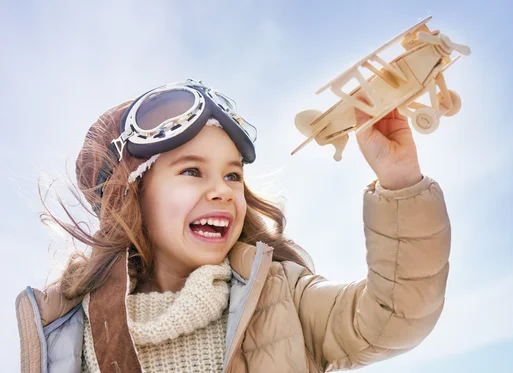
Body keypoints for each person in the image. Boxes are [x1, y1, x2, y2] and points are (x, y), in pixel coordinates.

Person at [15, 79, 451, 373]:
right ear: (129, 198)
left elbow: (396, 314)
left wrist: (400, 181)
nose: (223, 191)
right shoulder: (70, 328)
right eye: (191, 172)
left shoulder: (281, 295)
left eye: (233, 175)